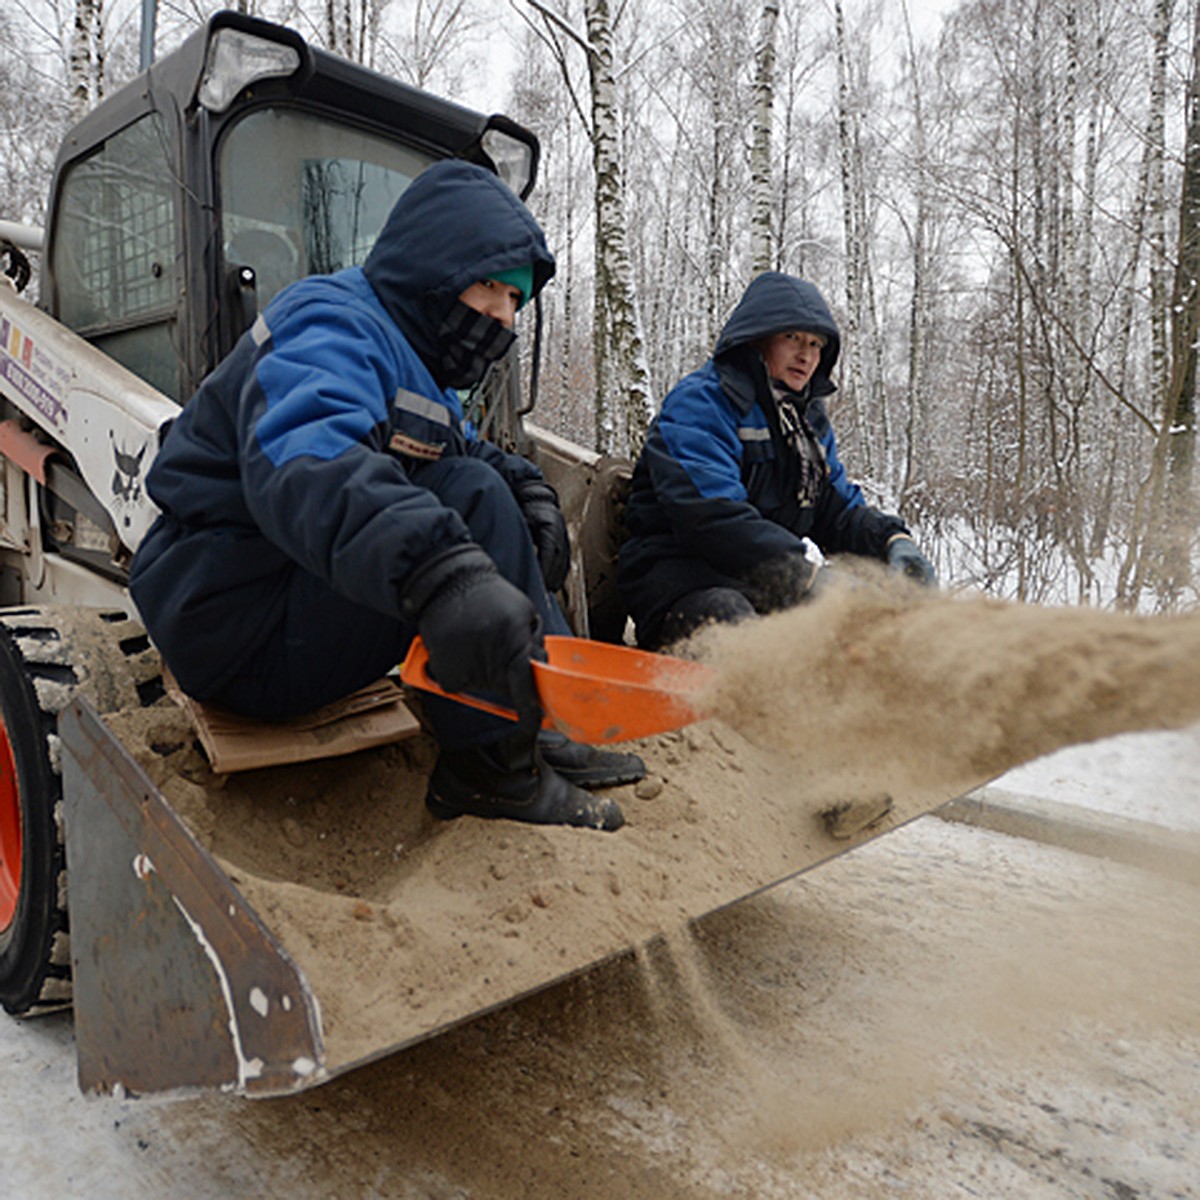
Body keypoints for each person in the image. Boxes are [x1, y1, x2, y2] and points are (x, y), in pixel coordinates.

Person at [130, 159, 643, 832]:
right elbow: (309, 458)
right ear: (436, 267)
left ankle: (534, 724)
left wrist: (533, 494)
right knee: (468, 500)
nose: (502, 318)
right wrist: (441, 573)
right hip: (233, 621)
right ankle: (491, 770)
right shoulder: (333, 325)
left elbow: (458, 450)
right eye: (491, 287)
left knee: (485, 487)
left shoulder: (412, 361)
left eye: (515, 301)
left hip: (276, 595)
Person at [617, 271, 935, 650]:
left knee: (865, 630)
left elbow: (835, 511)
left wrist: (891, 540)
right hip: (681, 582)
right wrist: (801, 576)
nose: (806, 355)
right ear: (757, 337)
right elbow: (711, 516)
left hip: (764, 585)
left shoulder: (807, 424)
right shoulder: (702, 402)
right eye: (792, 338)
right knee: (737, 628)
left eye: (816, 344)